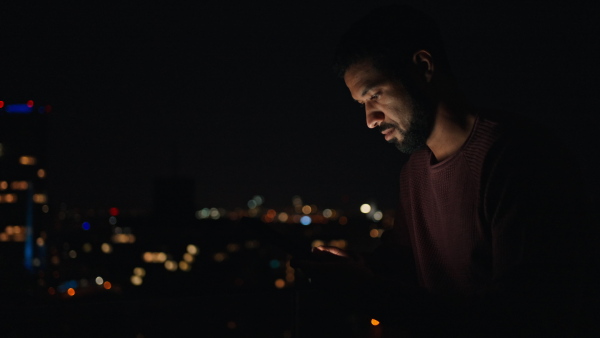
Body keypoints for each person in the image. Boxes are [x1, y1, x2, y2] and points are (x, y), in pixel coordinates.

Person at [291, 4, 598, 337]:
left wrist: (368, 291)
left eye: (375, 94)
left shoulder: (521, 158)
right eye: (362, 104)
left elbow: (523, 315)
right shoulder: (414, 174)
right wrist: (354, 269)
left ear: (423, 66)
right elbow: (406, 266)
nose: (370, 119)